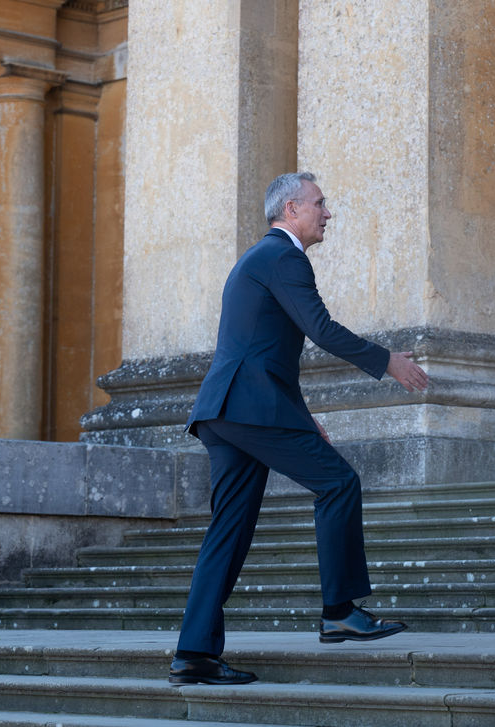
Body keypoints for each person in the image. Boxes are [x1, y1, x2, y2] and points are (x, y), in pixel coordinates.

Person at [169, 172, 429, 686]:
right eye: (319, 204)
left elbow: (263, 349)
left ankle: (194, 653)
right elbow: (322, 329)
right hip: (249, 410)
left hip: (229, 411)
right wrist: (387, 362)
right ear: (290, 210)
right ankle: (339, 611)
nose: (326, 213)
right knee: (338, 483)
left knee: (227, 532)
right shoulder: (284, 256)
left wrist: (301, 414)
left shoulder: (260, 258)